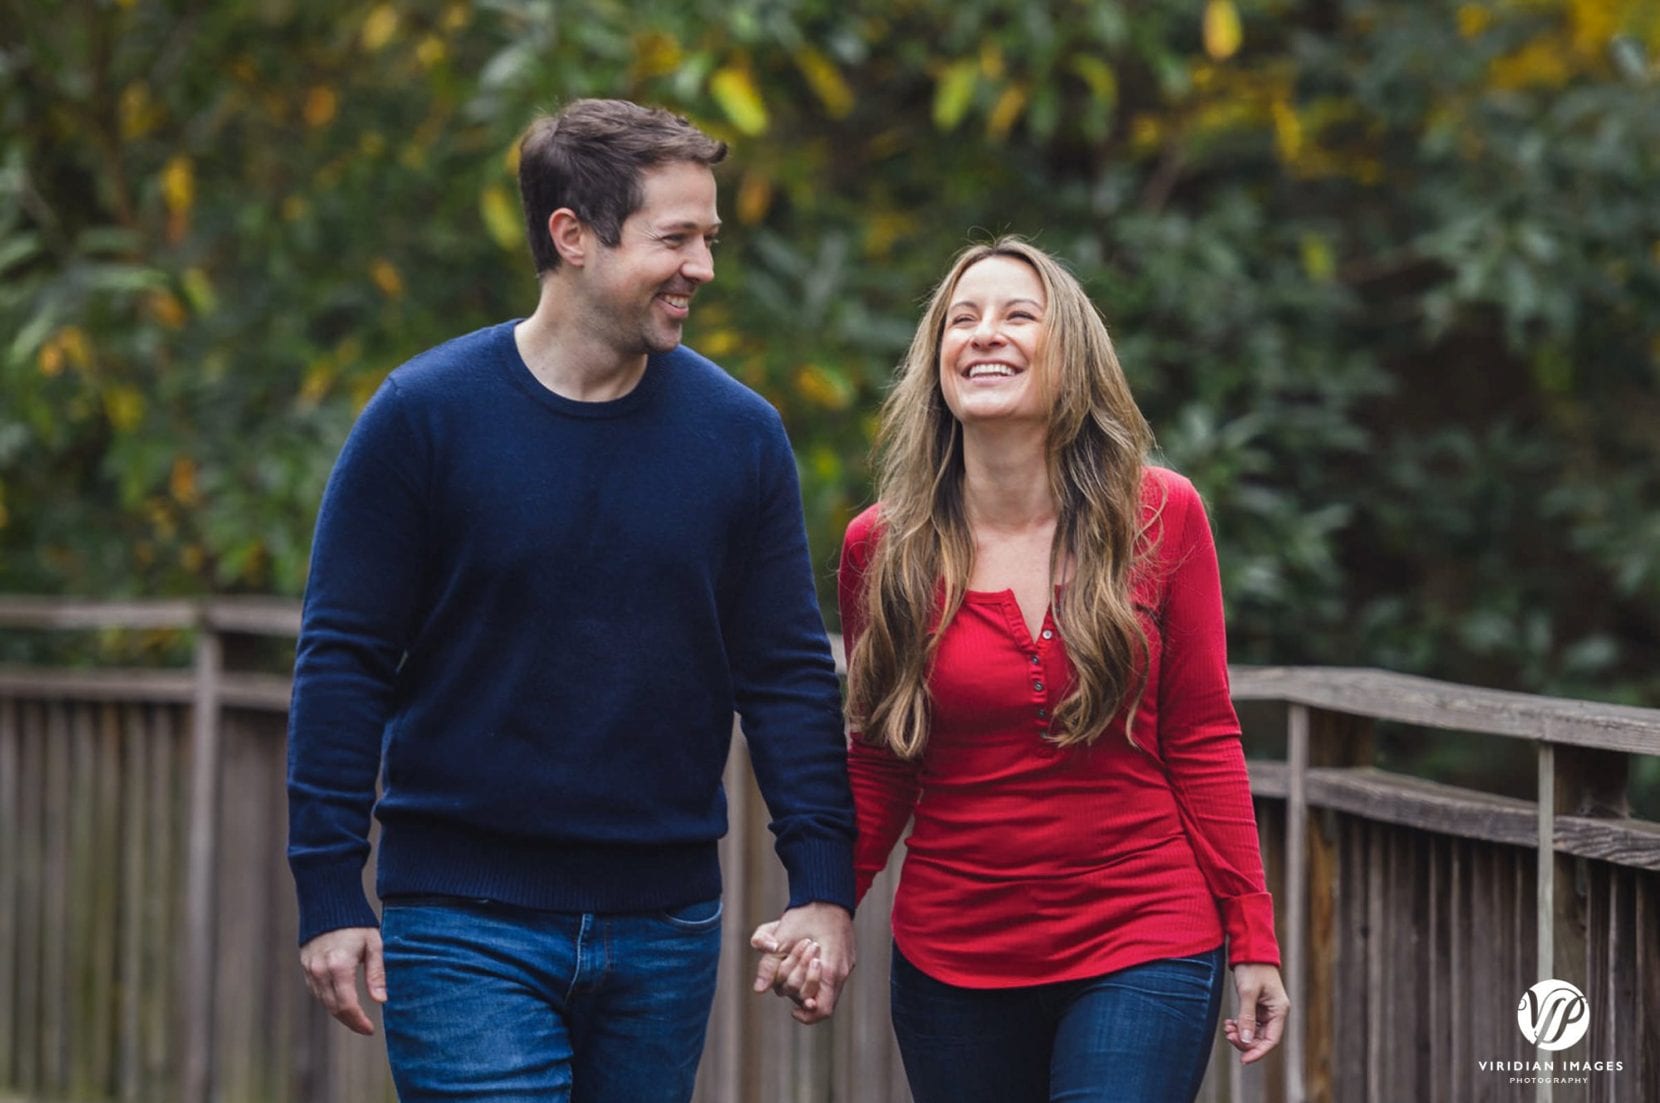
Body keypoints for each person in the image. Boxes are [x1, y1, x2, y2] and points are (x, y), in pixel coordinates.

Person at [285, 98, 855, 1103]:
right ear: (572, 235)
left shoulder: (740, 436)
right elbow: (344, 655)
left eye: (709, 239)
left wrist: (821, 883)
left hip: (667, 923)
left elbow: (784, 672)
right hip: (462, 915)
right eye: (675, 238)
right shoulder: (424, 416)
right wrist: (329, 884)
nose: (703, 268)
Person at [764, 238, 1289, 1102]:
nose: (984, 334)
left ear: (1071, 354)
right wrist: (825, 902)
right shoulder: (882, 549)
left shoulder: (1161, 515)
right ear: (937, 363)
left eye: (1017, 316)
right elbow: (883, 756)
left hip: (1145, 931)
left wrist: (1254, 933)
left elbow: (1201, 734)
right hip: (955, 958)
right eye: (960, 320)